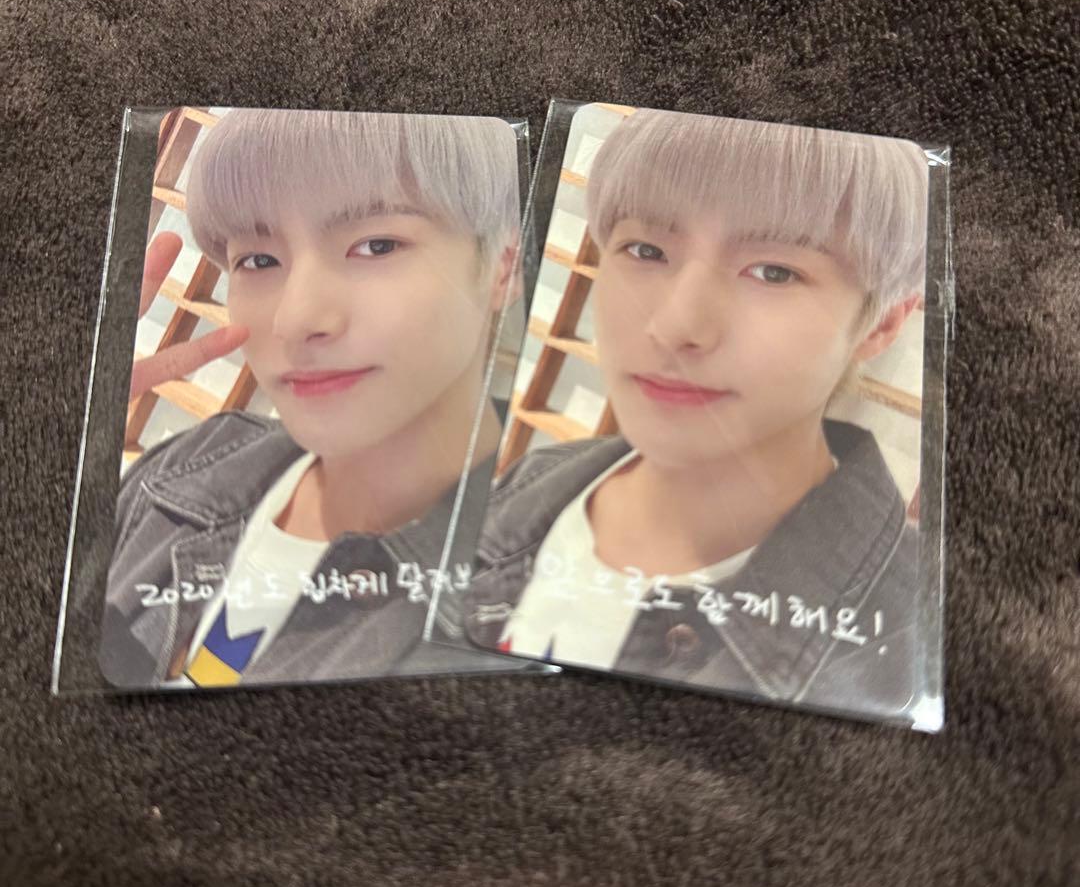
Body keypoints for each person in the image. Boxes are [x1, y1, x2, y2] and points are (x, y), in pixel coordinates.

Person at [463, 108, 931, 724]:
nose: (676, 325)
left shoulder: (911, 637)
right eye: (646, 250)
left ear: (883, 322)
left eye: (774, 272)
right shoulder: (524, 487)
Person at [100, 108, 521, 689]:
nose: (295, 319)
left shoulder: (516, 611)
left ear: (502, 268)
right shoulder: (188, 470)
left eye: (376, 245)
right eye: (258, 260)